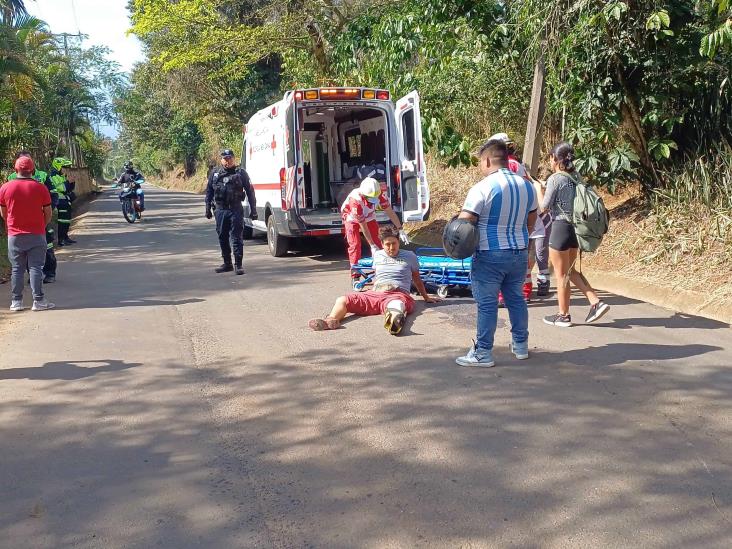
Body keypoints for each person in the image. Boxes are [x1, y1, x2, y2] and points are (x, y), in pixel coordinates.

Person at [455, 138, 537, 367]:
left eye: (481, 162)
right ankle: (520, 346)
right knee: (516, 299)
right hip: (519, 252)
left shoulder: (483, 187)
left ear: (488, 160)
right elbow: (531, 220)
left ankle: (483, 353)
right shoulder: (526, 185)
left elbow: (465, 223)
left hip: (490, 254)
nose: (481, 167)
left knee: (488, 304)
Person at [308, 224, 439, 334]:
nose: (391, 247)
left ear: (399, 242)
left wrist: (426, 297)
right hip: (375, 293)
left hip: (397, 294)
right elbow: (378, 275)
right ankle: (330, 321)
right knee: (343, 299)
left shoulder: (410, 256)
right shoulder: (378, 255)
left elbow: (417, 279)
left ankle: (394, 324)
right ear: (382, 244)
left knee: (396, 305)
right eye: (387, 244)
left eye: (394, 243)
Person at [534, 142, 609, 327]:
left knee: (561, 275)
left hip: (559, 229)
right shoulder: (575, 177)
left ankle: (563, 315)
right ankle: (595, 302)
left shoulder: (555, 178)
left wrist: (537, 190)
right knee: (571, 271)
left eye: (550, 157)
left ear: (554, 158)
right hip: (575, 230)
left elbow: (543, 208)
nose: (549, 161)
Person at [489, 132, 552, 304]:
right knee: (521, 258)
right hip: (522, 216)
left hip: (511, 218)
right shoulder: (518, 165)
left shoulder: (503, 167)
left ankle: (505, 295)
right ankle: (523, 293)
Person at [0, 156, 55, 311]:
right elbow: (48, 212)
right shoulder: (40, 187)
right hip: (37, 233)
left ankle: (16, 302)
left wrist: (11, 225)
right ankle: (38, 301)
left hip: (14, 235)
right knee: (36, 267)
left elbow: (3, 212)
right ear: (32, 170)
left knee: (17, 268)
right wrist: (41, 226)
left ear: (16, 169)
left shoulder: (5, 188)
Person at [341, 176, 408, 290]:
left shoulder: (378, 194)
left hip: (369, 216)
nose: (374, 200)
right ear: (364, 195)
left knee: (379, 242)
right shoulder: (355, 201)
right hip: (351, 218)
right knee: (355, 245)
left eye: (375, 197)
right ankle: (355, 276)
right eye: (371, 198)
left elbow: (390, 212)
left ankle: (380, 271)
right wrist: (371, 245)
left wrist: (400, 228)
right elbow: (364, 227)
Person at [9, 151, 58, 283]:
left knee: (47, 247)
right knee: (25, 252)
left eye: (28, 160)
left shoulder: (42, 176)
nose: (25, 164)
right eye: (22, 161)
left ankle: (49, 273)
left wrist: (47, 211)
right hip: (21, 223)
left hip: (42, 219)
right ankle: (34, 276)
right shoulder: (12, 178)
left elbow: (53, 195)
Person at [205, 149, 257, 275]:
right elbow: (209, 191)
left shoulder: (241, 173)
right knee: (222, 236)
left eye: (230, 158)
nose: (227, 161)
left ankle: (238, 265)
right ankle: (227, 263)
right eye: (225, 158)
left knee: (237, 237)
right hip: (221, 210)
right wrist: (207, 207)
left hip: (235, 209)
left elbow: (250, 192)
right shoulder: (215, 173)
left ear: (234, 159)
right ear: (221, 159)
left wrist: (253, 210)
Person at [49, 157, 76, 247]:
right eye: (64, 167)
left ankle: (65, 237)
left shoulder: (61, 176)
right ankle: (61, 240)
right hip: (59, 201)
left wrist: (72, 182)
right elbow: (62, 188)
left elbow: (68, 189)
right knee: (62, 221)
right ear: (58, 166)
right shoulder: (53, 176)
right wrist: (68, 182)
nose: (66, 169)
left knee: (67, 220)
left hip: (65, 200)